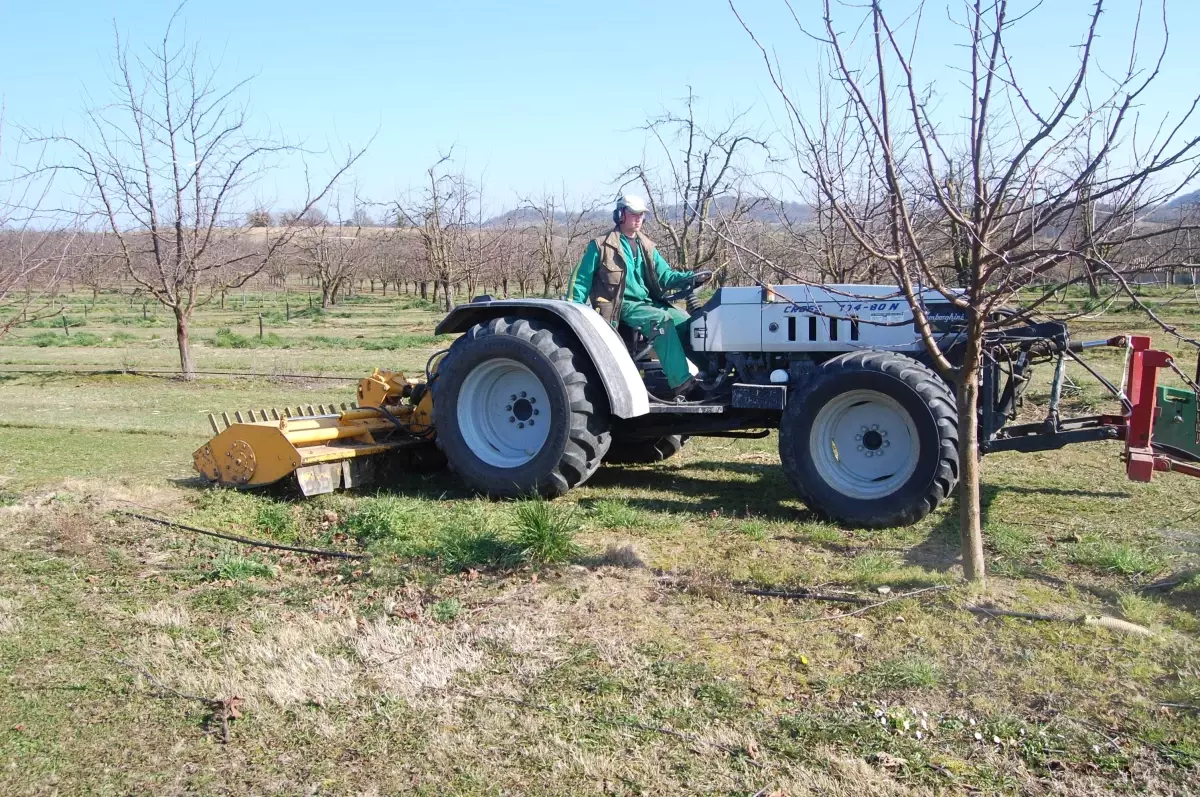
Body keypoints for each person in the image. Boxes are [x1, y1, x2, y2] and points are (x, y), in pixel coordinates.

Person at [568, 194, 711, 398]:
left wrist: (691, 278)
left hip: (648, 302)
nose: (638, 219)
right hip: (621, 304)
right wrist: (574, 313)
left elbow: (666, 276)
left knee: (689, 322)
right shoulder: (600, 246)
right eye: (633, 214)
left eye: (641, 215)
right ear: (620, 215)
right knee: (661, 321)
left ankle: (710, 374)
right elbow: (580, 281)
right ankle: (682, 384)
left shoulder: (648, 247)